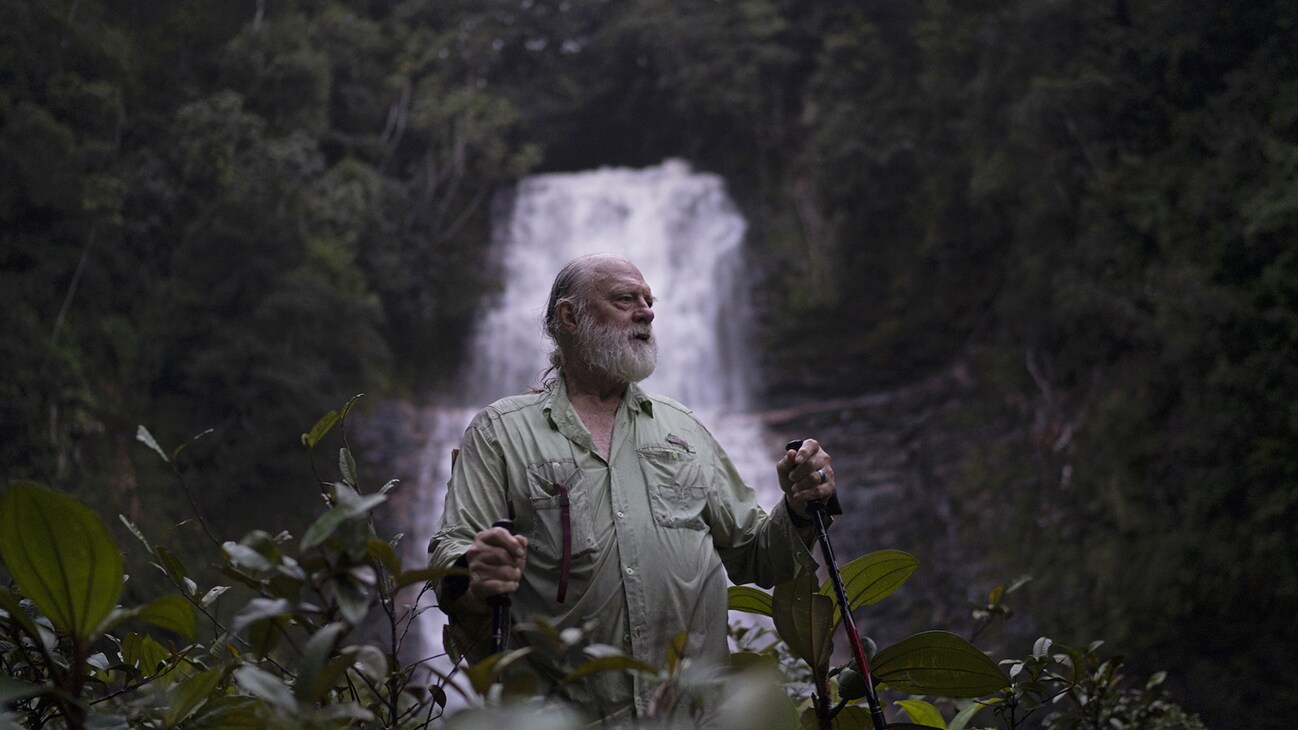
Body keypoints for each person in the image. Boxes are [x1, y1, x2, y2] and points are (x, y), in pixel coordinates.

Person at [428, 253, 838, 722]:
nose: (646, 312)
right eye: (625, 300)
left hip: (694, 718)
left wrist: (801, 505)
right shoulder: (499, 432)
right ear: (569, 316)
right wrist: (474, 572)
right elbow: (452, 549)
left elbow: (756, 554)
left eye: (649, 301)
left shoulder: (682, 427)